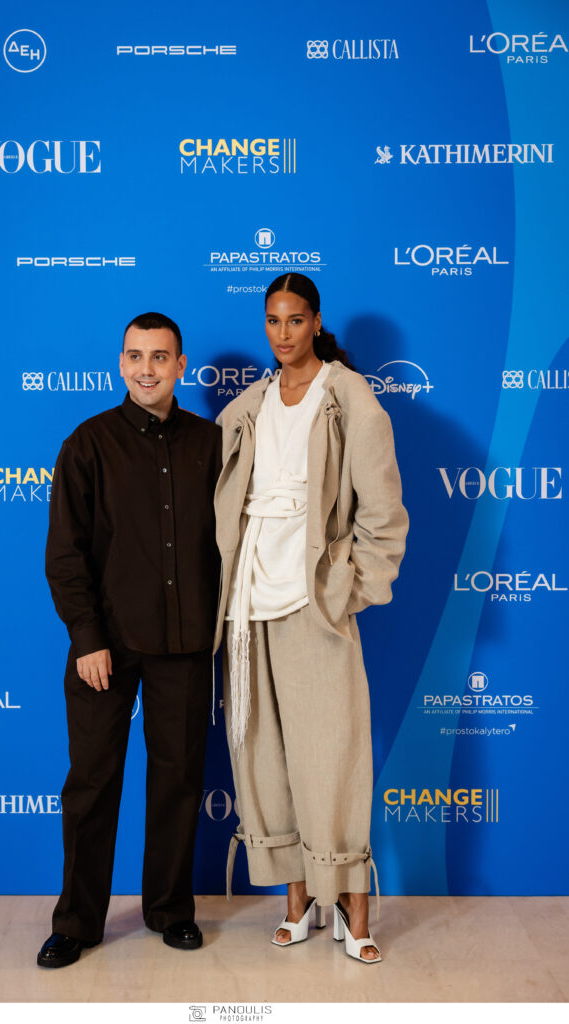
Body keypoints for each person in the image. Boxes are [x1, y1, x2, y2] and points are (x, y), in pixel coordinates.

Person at [215, 273, 408, 963]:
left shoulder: (349, 397)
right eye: (272, 320)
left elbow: (382, 510)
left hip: (313, 599)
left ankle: (353, 907)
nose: (283, 333)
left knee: (332, 754)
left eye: (295, 320)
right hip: (248, 604)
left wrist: (349, 590)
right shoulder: (247, 406)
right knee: (265, 757)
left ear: (317, 322)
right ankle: (297, 900)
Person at [38, 312, 221, 968]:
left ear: (180, 365)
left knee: (178, 781)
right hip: (106, 647)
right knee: (92, 782)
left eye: (160, 356)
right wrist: (87, 638)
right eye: (136, 356)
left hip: (185, 642)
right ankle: (77, 922)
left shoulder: (211, 444)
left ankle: (170, 910)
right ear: (121, 364)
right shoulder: (88, 444)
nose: (148, 369)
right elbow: (66, 552)